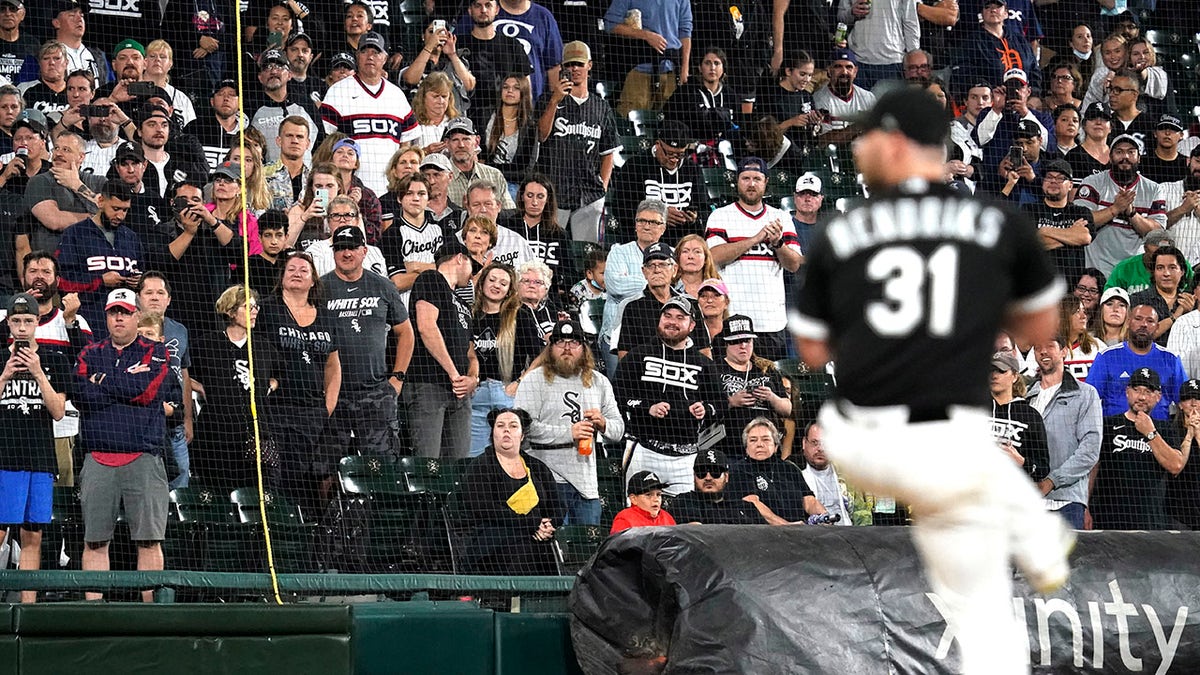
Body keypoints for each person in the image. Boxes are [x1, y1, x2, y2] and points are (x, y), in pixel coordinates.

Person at [791, 88, 1071, 675]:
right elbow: (1042, 325)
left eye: (865, 139)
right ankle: (1026, 520)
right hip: (958, 421)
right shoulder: (996, 220)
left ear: (894, 144)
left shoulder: (846, 230)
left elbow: (813, 351)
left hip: (874, 427)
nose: (859, 150)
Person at [75, 288, 171, 602]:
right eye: (113, 312)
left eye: (126, 312)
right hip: (98, 456)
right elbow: (81, 395)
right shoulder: (90, 352)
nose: (119, 317)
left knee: (148, 541)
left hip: (142, 455)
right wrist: (124, 383)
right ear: (105, 316)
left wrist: (103, 381)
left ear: (137, 315)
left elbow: (146, 392)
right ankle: (93, 617)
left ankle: (153, 619)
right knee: (94, 541)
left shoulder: (156, 351)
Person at [516, 319, 623, 525]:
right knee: (554, 550)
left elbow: (618, 430)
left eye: (573, 342)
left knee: (587, 549)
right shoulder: (534, 380)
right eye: (560, 342)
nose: (567, 348)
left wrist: (603, 423)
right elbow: (524, 428)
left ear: (584, 348)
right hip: (547, 481)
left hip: (586, 483)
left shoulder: (599, 382)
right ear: (550, 348)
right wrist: (569, 432)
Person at [613, 296, 724, 495]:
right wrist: (646, 407)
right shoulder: (638, 356)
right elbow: (617, 397)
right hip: (644, 450)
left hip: (686, 457)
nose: (672, 322)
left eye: (680, 317)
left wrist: (705, 409)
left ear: (691, 325)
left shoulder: (704, 364)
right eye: (667, 316)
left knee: (686, 523)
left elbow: (721, 404)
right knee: (639, 519)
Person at [259, 250, 341, 516]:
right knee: (274, 479)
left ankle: (306, 541)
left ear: (313, 280)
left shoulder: (326, 316)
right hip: (274, 413)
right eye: (291, 269)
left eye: (303, 270)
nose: (296, 273)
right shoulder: (266, 309)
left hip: (312, 415)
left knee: (307, 482)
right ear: (281, 276)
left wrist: (327, 407)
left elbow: (333, 365)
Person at [321, 224, 413, 459]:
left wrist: (398, 378)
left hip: (375, 392)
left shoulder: (383, 286)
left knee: (382, 466)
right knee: (324, 466)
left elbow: (405, 333)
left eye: (352, 247)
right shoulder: (319, 288)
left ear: (364, 251)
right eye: (340, 248)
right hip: (332, 393)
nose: (346, 253)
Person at [0, 292, 68, 603]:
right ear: (8, 324)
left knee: (33, 534)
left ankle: (28, 606)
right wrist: (4, 376)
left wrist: (39, 373)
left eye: (28, 321)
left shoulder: (54, 360)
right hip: (5, 456)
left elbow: (57, 411)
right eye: (17, 321)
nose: (23, 327)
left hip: (40, 458)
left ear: (37, 322)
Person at [706, 156, 802, 361]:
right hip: (733, 317)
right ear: (737, 181)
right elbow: (714, 256)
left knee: (767, 386)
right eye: (746, 178)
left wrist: (778, 244)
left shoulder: (781, 218)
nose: (751, 184)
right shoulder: (721, 216)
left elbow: (794, 265)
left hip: (770, 321)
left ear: (766, 182)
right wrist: (756, 239)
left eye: (757, 179)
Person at [188, 286, 278, 493]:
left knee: (262, 489)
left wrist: (269, 385)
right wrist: (200, 387)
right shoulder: (207, 344)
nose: (255, 311)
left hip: (257, 431)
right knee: (219, 490)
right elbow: (182, 371)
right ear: (230, 311)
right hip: (217, 435)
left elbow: (281, 372)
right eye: (248, 307)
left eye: (256, 307)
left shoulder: (262, 346)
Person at [460, 407, 563, 574]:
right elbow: (484, 509)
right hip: (493, 540)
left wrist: (548, 525)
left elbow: (557, 505)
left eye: (513, 426)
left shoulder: (537, 467)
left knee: (546, 552)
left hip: (537, 536)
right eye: (500, 425)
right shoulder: (480, 467)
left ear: (522, 435)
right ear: (493, 433)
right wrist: (532, 524)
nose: (506, 429)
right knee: (523, 549)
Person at [535, 41, 619, 243]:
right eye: (570, 64)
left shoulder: (601, 107)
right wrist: (555, 100)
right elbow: (541, 135)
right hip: (555, 193)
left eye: (579, 64)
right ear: (563, 67)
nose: (574, 69)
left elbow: (608, 152)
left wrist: (603, 187)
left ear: (589, 65)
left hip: (590, 194)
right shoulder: (548, 99)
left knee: (587, 253)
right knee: (550, 252)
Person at [319, 31, 421, 197]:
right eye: (364, 51)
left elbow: (406, 145)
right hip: (350, 190)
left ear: (385, 58)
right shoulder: (337, 92)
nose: (370, 57)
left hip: (391, 190)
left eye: (376, 52)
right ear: (357, 56)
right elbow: (325, 145)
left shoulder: (396, 95)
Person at [406, 237, 479, 459]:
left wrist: (472, 379)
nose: (472, 274)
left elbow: (471, 353)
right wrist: (454, 374)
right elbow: (426, 327)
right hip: (429, 383)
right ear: (460, 258)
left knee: (459, 464)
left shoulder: (464, 304)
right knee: (429, 463)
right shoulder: (430, 279)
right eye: (472, 267)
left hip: (459, 392)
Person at [1089, 367, 1188, 530]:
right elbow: (1093, 467)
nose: (1141, 397)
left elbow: (1176, 465)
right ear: (1127, 392)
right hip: (1109, 521)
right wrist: (1086, 506)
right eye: (1137, 390)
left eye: (1148, 391)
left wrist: (1150, 433)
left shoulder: (1165, 429)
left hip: (1150, 523)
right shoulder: (1107, 425)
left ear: (1158, 397)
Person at [1026, 334, 1103, 529]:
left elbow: (1090, 450)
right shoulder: (1025, 396)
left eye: (1049, 346)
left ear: (1064, 351)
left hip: (1067, 503)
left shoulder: (1085, 394)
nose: (1043, 351)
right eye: (1037, 347)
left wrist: (1051, 481)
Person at [470, 262, 543, 455]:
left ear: (510, 289)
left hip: (507, 393)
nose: (496, 286)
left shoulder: (521, 315)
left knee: (509, 456)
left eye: (503, 283)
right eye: (492, 280)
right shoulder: (469, 315)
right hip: (475, 396)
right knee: (474, 458)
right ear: (482, 283)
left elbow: (541, 356)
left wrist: (519, 383)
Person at [54, 181, 140, 341]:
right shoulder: (75, 234)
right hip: (87, 324)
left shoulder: (131, 238)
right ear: (101, 201)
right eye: (115, 209)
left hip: (125, 329)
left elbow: (142, 275)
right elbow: (61, 282)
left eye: (125, 210)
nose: (120, 216)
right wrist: (100, 281)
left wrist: (137, 282)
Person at [1075, 134, 1167, 276]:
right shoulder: (1093, 182)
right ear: (1110, 157)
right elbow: (1080, 222)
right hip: (1097, 270)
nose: (1125, 156)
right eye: (1119, 152)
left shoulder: (1153, 189)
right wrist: (1115, 209)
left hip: (1135, 272)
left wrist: (1131, 213)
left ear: (1139, 158)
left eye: (1131, 152)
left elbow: (1157, 234)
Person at [611, 120, 709, 245]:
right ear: (657, 144)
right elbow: (621, 208)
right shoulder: (635, 166)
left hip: (683, 244)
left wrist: (694, 217)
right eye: (670, 153)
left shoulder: (693, 170)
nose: (674, 160)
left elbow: (704, 208)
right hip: (644, 243)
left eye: (680, 155)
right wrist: (658, 216)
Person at [1086, 304, 1187, 419]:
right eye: (1138, 319)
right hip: (1114, 431)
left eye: (1150, 321)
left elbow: (1185, 401)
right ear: (1128, 322)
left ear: (1157, 327)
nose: (1143, 325)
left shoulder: (1171, 359)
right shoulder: (1107, 357)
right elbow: (1089, 399)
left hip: (1159, 431)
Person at [725, 416, 828, 524]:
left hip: (800, 532)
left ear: (775, 446)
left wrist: (825, 517)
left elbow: (809, 501)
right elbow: (754, 504)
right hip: (764, 535)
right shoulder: (737, 470)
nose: (759, 444)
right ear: (746, 448)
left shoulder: (790, 468)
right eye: (753, 440)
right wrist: (787, 527)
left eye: (766, 439)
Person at [713, 315, 791, 455]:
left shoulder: (767, 368)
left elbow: (787, 410)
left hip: (767, 449)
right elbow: (705, 409)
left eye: (747, 341)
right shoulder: (713, 369)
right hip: (729, 450)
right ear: (726, 343)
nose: (743, 346)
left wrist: (772, 397)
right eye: (736, 341)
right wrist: (731, 402)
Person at [603, 0, 692, 116]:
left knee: (669, 124)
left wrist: (685, 68)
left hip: (670, 73)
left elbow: (685, 32)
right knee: (630, 118)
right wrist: (645, 35)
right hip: (639, 71)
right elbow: (610, 24)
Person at [1024, 159, 1094, 282]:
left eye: (1060, 178)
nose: (1053, 181)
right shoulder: (1029, 209)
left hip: (1071, 288)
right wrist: (1071, 234)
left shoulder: (1081, 212)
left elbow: (1084, 237)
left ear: (1070, 185)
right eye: (1049, 177)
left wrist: (1044, 231)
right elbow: (1030, 245)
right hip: (1037, 286)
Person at [499, 174, 567, 293]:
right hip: (510, 293)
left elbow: (568, 273)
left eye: (540, 196)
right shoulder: (507, 228)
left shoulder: (559, 234)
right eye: (529, 196)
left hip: (547, 295)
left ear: (548, 200)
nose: (534, 202)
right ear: (522, 197)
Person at [989, 351, 1050, 483]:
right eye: (991, 371)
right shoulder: (976, 408)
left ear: (1015, 376)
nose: (994, 376)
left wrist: (1020, 461)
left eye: (1001, 371)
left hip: (1013, 492)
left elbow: (1043, 468)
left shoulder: (1030, 415)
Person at [837, 0, 919, 91]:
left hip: (892, 61)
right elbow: (841, 17)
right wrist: (851, 12)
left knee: (891, 105)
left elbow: (911, 22)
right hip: (858, 61)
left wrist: (914, 58)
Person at [667, 448, 760, 525]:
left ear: (726, 477)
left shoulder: (744, 506)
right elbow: (696, 536)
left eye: (715, 472)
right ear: (694, 476)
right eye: (701, 472)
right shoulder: (684, 501)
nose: (708, 478)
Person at [482, 75, 540, 194]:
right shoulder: (485, 116)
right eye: (506, 87)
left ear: (523, 92)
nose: (510, 91)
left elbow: (525, 170)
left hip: (513, 186)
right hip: (483, 181)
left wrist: (489, 168)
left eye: (516, 88)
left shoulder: (530, 127)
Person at [444, 117, 516, 211]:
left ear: (477, 141)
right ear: (447, 144)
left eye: (466, 139)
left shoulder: (494, 175)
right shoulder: (439, 178)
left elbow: (510, 212)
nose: (461, 145)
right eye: (455, 140)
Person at [1130, 245, 1195, 346]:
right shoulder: (1137, 300)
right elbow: (1139, 337)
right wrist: (1175, 317)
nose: (1166, 273)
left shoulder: (1190, 302)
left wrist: (1191, 315)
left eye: (1172, 267)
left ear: (1182, 271)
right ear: (1153, 272)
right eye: (1160, 268)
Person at [1105, 230, 1191, 296]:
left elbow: (1195, 286)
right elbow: (1109, 295)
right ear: (1145, 248)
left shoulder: (1181, 265)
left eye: (1171, 267)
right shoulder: (1125, 268)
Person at [797, 423, 852, 526]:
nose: (820, 449)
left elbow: (861, 512)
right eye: (814, 443)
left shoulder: (846, 470)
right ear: (804, 443)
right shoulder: (793, 470)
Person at [1162, 146, 1200, 265]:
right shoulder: (1165, 189)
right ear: (1189, 161)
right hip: (1168, 265)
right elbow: (1154, 227)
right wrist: (1183, 208)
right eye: (1198, 161)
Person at [610, 470, 676, 534]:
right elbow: (618, 544)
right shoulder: (625, 519)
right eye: (648, 495)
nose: (656, 499)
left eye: (658, 494)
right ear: (633, 499)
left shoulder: (667, 517)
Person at [1139, 114, 1188, 185]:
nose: (1167, 133)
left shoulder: (1187, 165)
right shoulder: (1142, 163)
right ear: (1155, 133)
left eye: (1173, 129)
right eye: (1163, 128)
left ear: (1181, 135)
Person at [673, 235, 720, 300]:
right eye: (685, 251)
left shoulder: (717, 288)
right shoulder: (669, 288)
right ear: (678, 257)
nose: (691, 256)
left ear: (705, 258)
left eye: (697, 252)